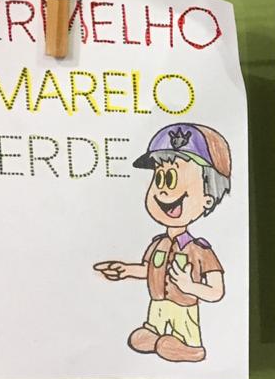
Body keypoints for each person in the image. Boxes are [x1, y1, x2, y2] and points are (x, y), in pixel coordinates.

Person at [94, 123, 232, 361]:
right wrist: (126, 270)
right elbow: (149, 269)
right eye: (160, 179)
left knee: (178, 341)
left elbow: (216, 291)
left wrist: (189, 286)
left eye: (172, 179)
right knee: (142, 337)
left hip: (184, 310)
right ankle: (157, 339)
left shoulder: (200, 250)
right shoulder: (159, 243)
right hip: (157, 306)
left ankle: (189, 349)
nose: (163, 192)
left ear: (207, 199)